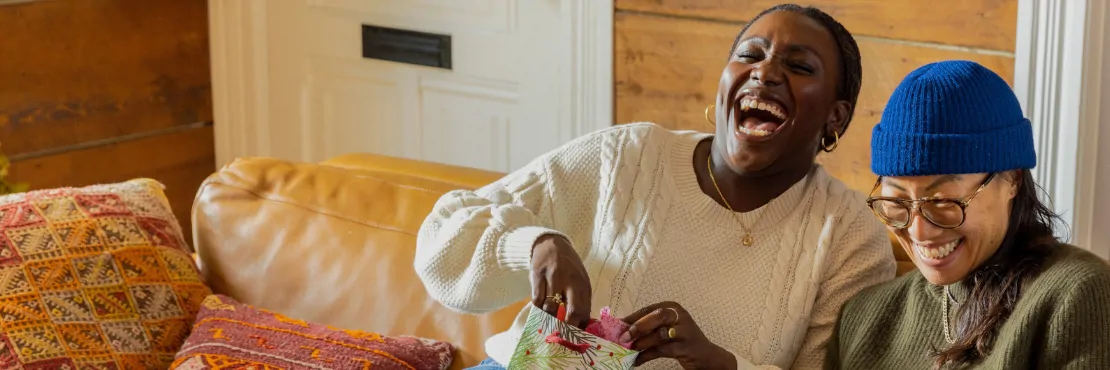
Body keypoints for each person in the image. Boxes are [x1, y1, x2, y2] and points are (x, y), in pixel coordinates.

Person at [415, 4, 896, 369]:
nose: (766, 72)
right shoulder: (628, 155)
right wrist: (537, 245)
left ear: (836, 116)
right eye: (750, 55)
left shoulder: (849, 235)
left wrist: (718, 363)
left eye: (799, 66)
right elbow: (441, 238)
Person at [826, 60, 1110, 369]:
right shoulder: (862, 318)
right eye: (897, 202)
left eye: (944, 201)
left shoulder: (1078, 297)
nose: (919, 231)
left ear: (1012, 179)